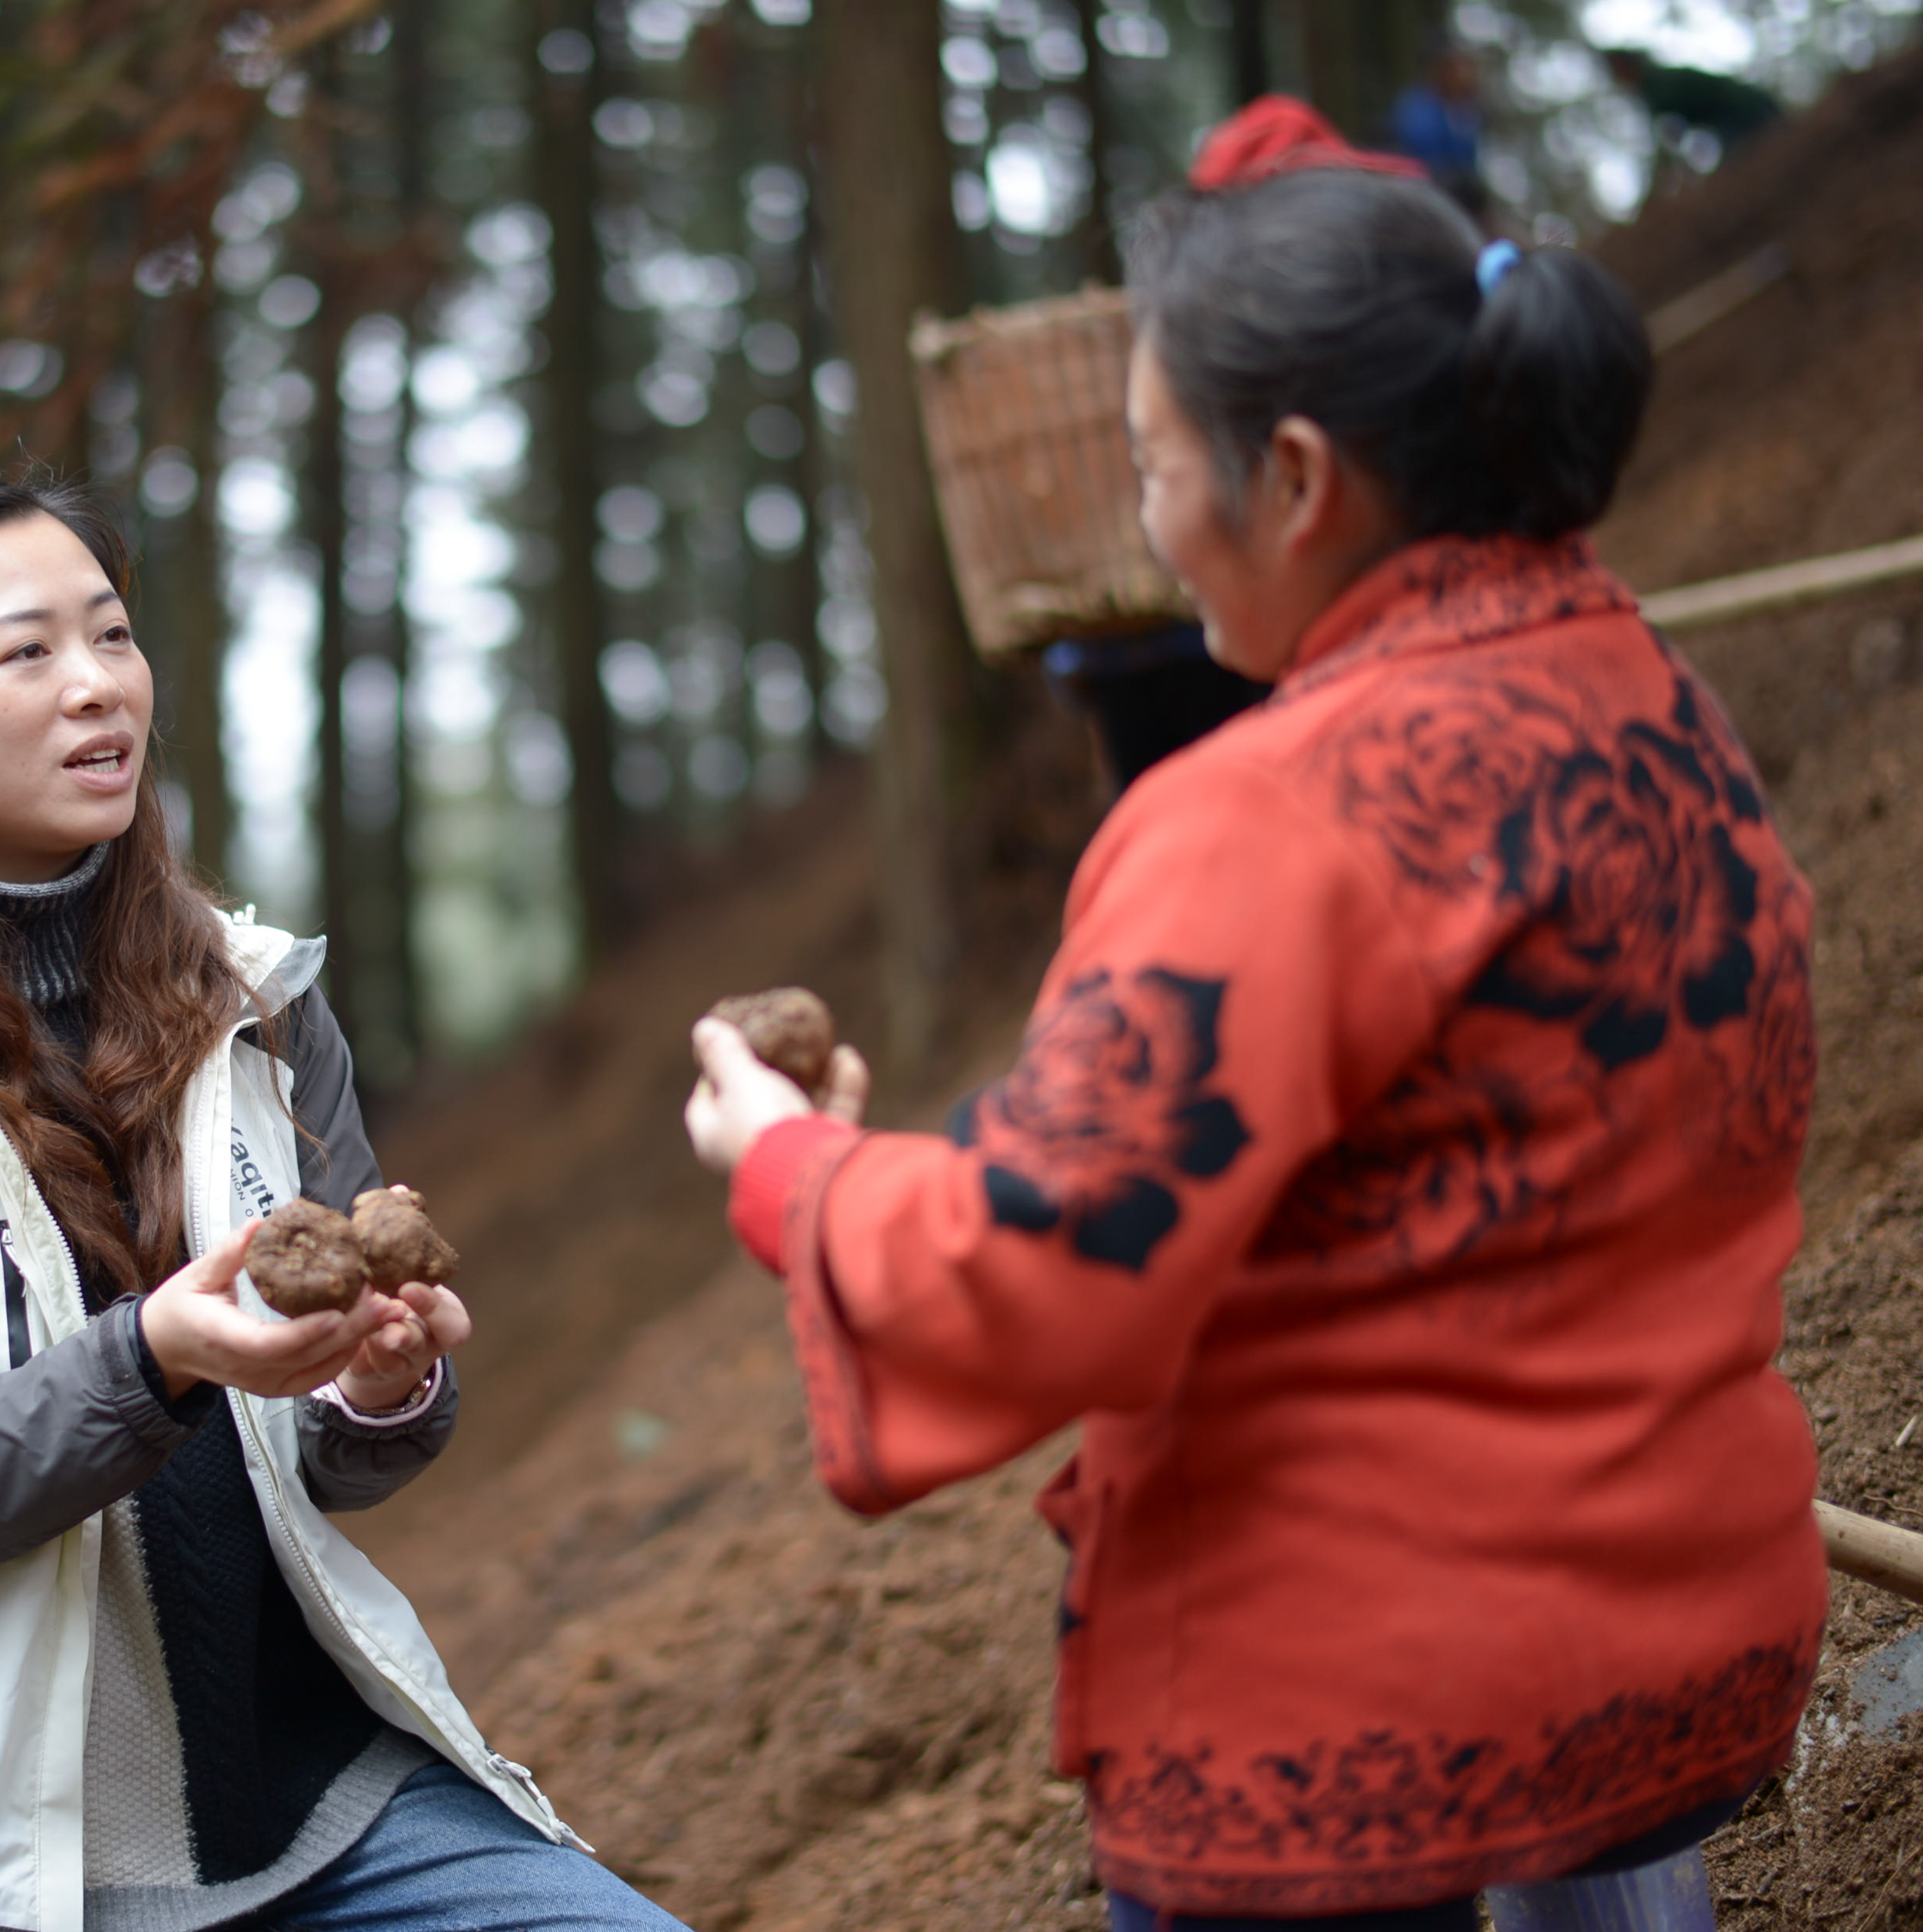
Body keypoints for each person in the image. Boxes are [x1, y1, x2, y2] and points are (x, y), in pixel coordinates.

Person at [686, 157, 1822, 1929]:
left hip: (1362, 1720)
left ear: (1292, 476)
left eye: (1149, 465)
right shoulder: (1657, 703)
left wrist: (787, 1164)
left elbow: (1050, 1256)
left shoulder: (1270, 813)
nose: (1143, 526)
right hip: (1684, 1644)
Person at [0, 473, 683, 1932]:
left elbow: (330, 1459)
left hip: (303, 1802)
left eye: (113, 635)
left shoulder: (251, 994)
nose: (97, 686)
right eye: (26, 652)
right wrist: (151, 1356)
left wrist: (384, 1383)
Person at [1604, 48, 1782, 161]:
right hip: (1744, 110)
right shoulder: (1657, 85)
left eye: (1617, 72)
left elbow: (1670, 141)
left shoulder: (1659, 88)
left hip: (1745, 111)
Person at [1390, 38, 1489, 216]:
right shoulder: (1417, 107)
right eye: (1457, 69)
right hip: (1423, 191)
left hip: (1458, 197)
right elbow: (1420, 154)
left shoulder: (1465, 112)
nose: (1464, 77)